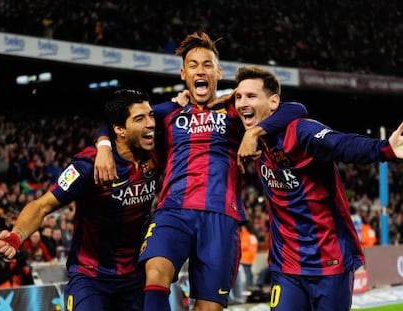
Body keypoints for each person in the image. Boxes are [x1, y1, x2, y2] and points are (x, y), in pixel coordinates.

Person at [94, 31, 308, 311]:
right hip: (173, 211)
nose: (200, 70)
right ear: (183, 73)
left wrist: (254, 132)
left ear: (218, 72)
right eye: (193, 65)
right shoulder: (169, 112)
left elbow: (296, 109)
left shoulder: (235, 109)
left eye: (207, 64)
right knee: (156, 273)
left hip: (221, 216)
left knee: (209, 307)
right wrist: (103, 147)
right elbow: (117, 122)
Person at [231, 65, 403, 311]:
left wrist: (383, 149)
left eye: (251, 96)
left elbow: (338, 143)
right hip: (286, 265)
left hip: (329, 261)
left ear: (274, 102)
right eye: (238, 97)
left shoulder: (300, 130)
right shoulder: (248, 133)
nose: (242, 103)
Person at [0, 89, 160, 311]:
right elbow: (42, 205)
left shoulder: (156, 152)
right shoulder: (87, 166)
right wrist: (16, 236)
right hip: (90, 277)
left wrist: (103, 142)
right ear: (119, 129)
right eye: (140, 119)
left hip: (135, 277)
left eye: (151, 116)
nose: (150, 123)